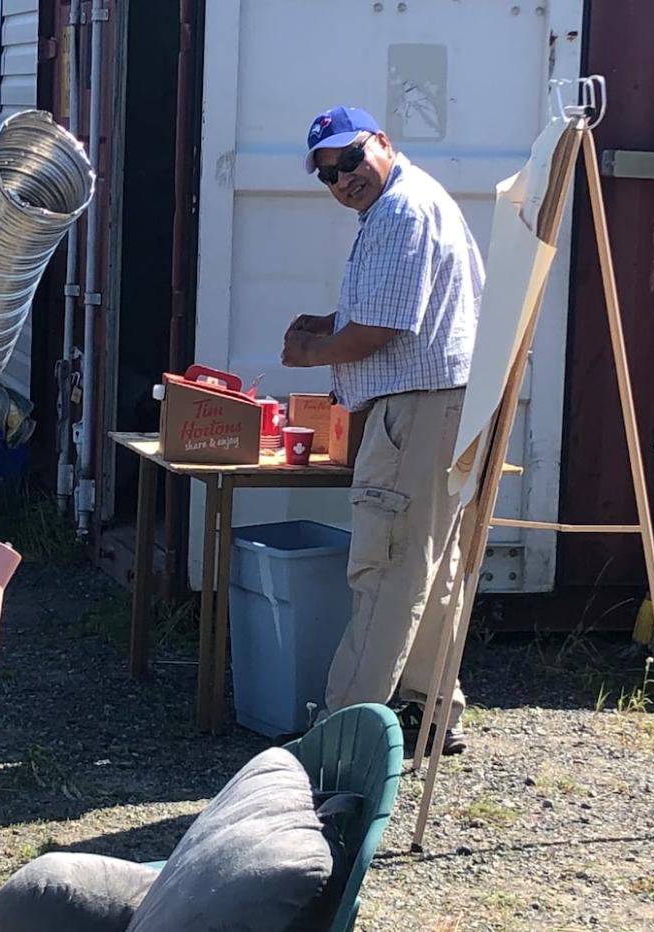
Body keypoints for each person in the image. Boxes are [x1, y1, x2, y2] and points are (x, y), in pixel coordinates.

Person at [281, 105, 484, 756]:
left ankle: (341, 736)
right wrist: (331, 319)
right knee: (431, 568)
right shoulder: (411, 199)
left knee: (387, 567)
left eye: (349, 160)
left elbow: (383, 330)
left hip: (418, 409)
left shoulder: (399, 211)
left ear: (382, 144)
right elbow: (386, 309)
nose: (342, 179)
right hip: (445, 405)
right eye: (328, 174)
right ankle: (429, 712)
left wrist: (311, 352)